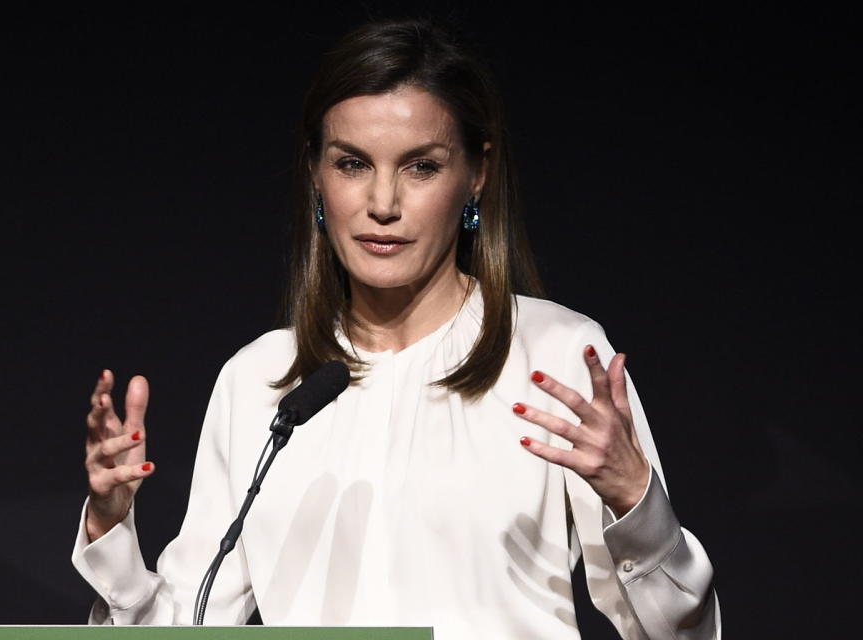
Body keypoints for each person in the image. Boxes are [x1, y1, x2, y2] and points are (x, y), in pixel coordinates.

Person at [73, 17, 721, 639]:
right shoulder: (261, 381)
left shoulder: (555, 357)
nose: (382, 204)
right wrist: (111, 522)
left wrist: (637, 501)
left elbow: (675, 634)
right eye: (352, 163)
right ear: (315, 174)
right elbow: (189, 627)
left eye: (421, 167)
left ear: (477, 174)